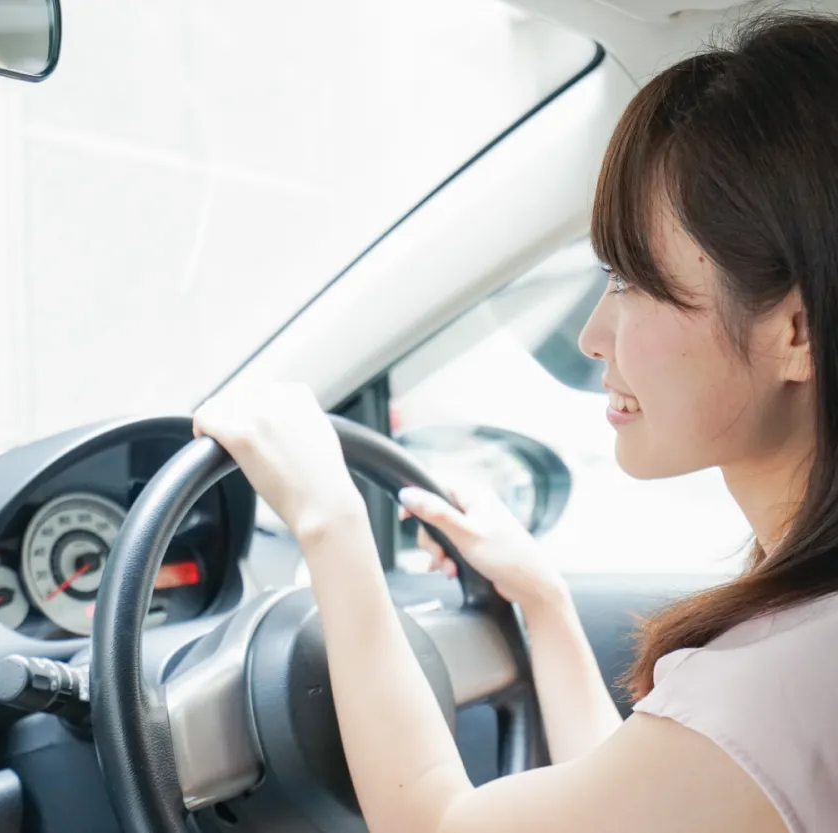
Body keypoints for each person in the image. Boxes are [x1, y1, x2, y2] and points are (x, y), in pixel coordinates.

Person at [194, 12, 838, 833]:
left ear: (796, 333)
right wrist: (544, 605)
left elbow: (433, 821)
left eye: (634, 280)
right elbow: (638, 801)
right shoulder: (795, 663)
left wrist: (330, 522)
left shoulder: (772, 688)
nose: (592, 336)